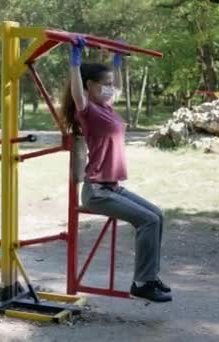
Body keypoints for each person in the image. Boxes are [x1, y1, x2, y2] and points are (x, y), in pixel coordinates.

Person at [61, 37, 171, 303]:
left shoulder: (107, 108)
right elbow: (77, 93)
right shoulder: (87, 111)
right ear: (91, 87)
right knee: (148, 221)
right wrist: (75, 61)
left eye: (111, 84)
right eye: (105, 85)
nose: (112, 90)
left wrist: (118, 61)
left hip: (112, 186)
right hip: (97, 191)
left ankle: (150, 276)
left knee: (157, 215)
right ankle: (141, 283)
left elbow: (118, 87)